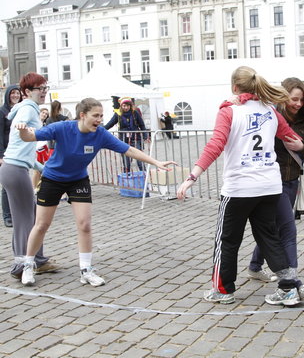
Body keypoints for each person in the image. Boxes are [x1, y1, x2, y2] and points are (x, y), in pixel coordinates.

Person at [177, 66, 304, 306]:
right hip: (269, 186)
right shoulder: (270, 111)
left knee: (227, 240)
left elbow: (214, 146)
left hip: (239, 188)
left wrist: (191, 177)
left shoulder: (229, 111)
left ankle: (223, 290)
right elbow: (292, 139)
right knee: (269, 237)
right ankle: (288, 288)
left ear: (235, 87)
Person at [18, 97, 176, 286]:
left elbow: (129, 150)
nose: (100, 119)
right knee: (42, 225)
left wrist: (156, 162)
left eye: (101, 116)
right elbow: (29, 137)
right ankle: (28, 265)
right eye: (96, 115)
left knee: (85, 225)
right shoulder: (62, 128)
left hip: (78, 180)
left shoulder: (100, 134)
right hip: (53, 178)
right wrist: (22, 130)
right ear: (82, 115)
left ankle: (86, 270)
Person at [247, 77, 304, 300]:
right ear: (284, 97)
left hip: (291, 181)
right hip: (270, 183)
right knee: (285, 231)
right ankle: (291, 282)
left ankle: (255, 266)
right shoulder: (271, 116)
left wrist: (302, 147)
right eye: (293, 99)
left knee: (274, 229)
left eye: (301, 100)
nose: (297, 104)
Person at [0, 72, 59, 279]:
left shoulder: (27, 108)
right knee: (28, 219)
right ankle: (25, 263)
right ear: (27, 92)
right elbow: (21, 127)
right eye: (39, 89)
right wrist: (21, 126)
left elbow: (25, 150)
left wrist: (43, 169)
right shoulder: (27, 109)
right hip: (14, 170)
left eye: (45, 88)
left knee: (29, 216)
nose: (43, 92)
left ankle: (34, 260)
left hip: (13, 168)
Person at [103, 97, 149, 173]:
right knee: (126, 160)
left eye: (128, 106)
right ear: (121, 106)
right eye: (124, 106)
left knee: (139, 159)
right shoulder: (118, 114)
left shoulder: (135, 113)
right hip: (124, 140)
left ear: (130, 106)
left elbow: (142, 125)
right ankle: (127, 177)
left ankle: (144, 175)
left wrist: (145, 136)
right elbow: (109, 124)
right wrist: (100, 130)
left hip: (135, 138)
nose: (126, 107)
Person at [0, 85, 22, 227]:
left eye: (17, 93)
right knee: (7, 185)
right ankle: (7, 215)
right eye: (12, 93)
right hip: (6, 152)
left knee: (19, 183)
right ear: (7, 95)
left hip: (18, 152)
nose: (15, 95)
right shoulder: (2, 112)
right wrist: (1, 155)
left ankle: (17, 213)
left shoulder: (20, 110)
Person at [32, 107, 51, 190]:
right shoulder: (35, 123)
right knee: (36, 171)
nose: (44, 115)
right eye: (43, 112)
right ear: (39, 113)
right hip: (36, 149)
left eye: (46, 114)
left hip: (44, 148)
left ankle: (38, 187)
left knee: (42, 169)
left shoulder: (44, 124)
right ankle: (34, 188)